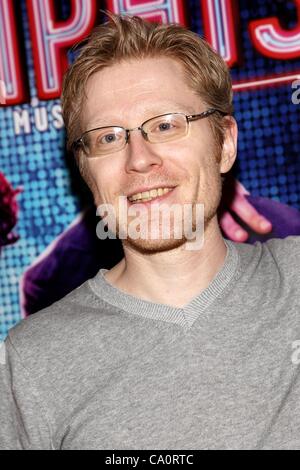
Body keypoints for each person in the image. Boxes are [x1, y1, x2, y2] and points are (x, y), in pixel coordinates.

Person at [1, 14, 300, 450]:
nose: (139, 159)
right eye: (107, 138)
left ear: (225, 144)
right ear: (85, 170)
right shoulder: (30, 362)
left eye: (166, 125)